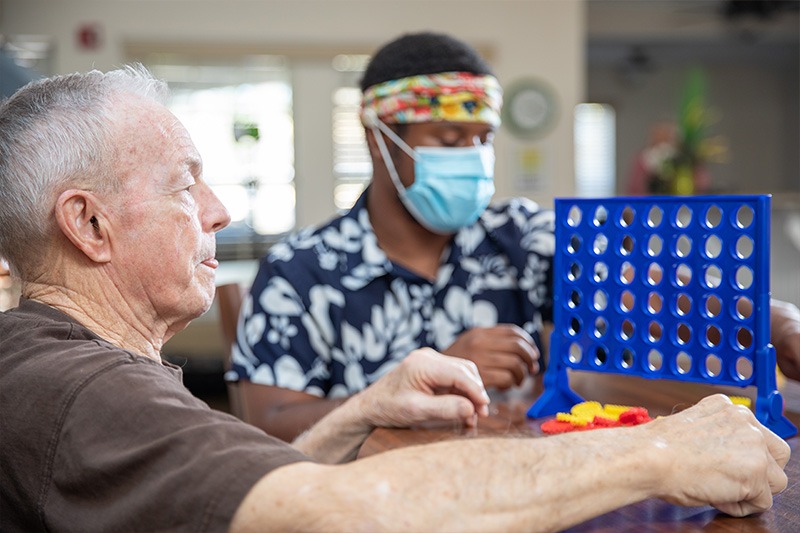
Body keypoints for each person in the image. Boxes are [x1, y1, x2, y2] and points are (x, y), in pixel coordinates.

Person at [0, 65, 791, 533]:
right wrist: (658, 450)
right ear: (89, 224)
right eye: (185, 182)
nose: (219, 210)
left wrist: (361, 408)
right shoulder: (77, 391)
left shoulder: (86, 368)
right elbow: (338, 514)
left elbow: (233, 484)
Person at [230, 31, 800, 442]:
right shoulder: (300, 271)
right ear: (378, 136)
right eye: (449, 138)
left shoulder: (519, 237)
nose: (472, 159)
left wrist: (777, 323)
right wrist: (418, 383)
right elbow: (270, 420)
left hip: (519, 484)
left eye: (482, 140)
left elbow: (647, 287)